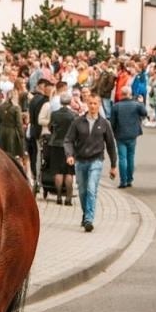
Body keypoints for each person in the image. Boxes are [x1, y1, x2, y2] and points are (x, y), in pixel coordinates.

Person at [64, 94, 118, 232]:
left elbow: (111, 145)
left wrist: (113, 166)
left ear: (99, 105)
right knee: (82, 191)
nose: (93, 106)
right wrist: (69, 155)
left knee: (91, 189)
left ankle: (89, 219)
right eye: (91, 103)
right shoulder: (78, 122)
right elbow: (68, 140)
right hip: (80, 161)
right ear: (87, 104)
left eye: (95, 103)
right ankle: (85, 213)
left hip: (96, 160)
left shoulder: (104, 124)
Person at [109, 91, 148, 189]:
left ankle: (123, 181)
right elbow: (144, 113)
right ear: (130, 95)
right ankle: (129, 179)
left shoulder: (116, 106)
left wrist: (112, 133)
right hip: (132, 134)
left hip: (120, 135)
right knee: (131, 157)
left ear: (121, 95)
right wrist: (141, 102)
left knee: (122, 158)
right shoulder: (136, 105)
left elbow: (112, 122)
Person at [47, 88, 78, 205]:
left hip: (55, 144)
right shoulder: (73, 115)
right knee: (69, 172)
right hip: (69, 146)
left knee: (58, 171)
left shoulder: (55, 114)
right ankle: (68, 198)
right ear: (70, 102)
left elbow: (50, 127)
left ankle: (59, 196)